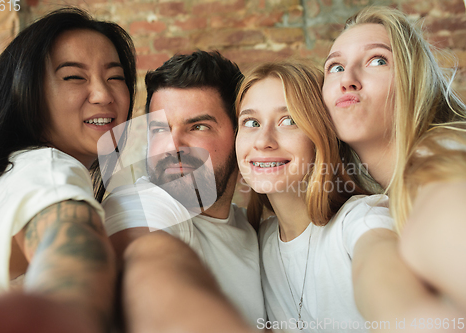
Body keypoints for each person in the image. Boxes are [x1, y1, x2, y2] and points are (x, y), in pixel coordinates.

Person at [0, 7, 136, 332]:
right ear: (27, 92)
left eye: (116, 77)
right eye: (74, 77)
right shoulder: (47, 168)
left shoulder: (3, 172)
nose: (103, 94)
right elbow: (71, 245)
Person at [102, 50, 265, 332]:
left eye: (198, 126)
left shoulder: (251, 231)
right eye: (160, 129)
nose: (173, 146)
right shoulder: (139, 204)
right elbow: (147, 262)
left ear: (239, 136)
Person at [322, 5, 466, 325]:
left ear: (414, 79)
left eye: (377, 60)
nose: (348, 79)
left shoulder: (446, 153)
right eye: (335, 67)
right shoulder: (363, 199)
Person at [235, 61, 403, 332]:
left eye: (288, 120)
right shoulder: (259, 242)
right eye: (251, 122)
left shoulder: (362, 219)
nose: (263, 140)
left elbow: (387, 279)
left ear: (321, 136)